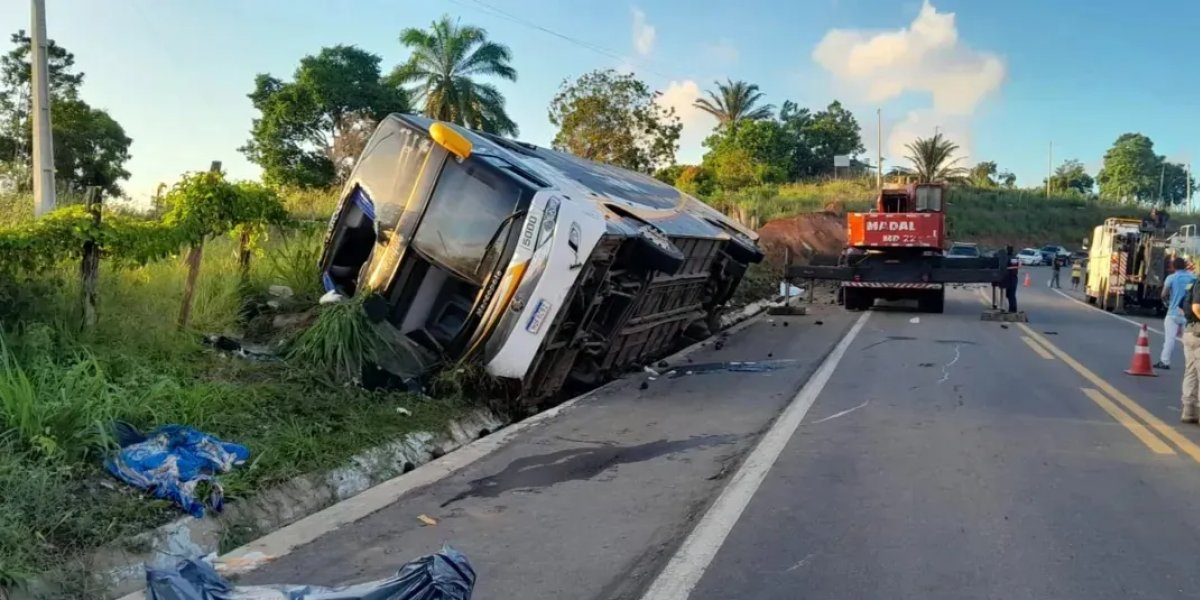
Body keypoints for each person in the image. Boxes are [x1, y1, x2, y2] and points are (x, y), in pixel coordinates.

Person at [1156, 257, 1196, 370]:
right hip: (1188, 314)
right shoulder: (1193, 278)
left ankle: (1165, 362)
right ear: (1185, 266)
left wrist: (1168, 301)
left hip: (1173, 312)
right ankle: (1192, 364)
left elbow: (1163, 294)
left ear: (1173, 267)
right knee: (1189, 341)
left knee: (1169, 339)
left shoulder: (1171, 278)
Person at [1181, 273, 1200, 423]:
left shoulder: (1193, 283)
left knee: (1191, 372)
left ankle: (1188, 411)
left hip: (1189, 331)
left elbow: (1181, 306)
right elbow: (1196, 307)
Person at [1004, 245, 1020, 312]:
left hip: (1012, 277)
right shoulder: (1011, 257)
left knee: (1011, 294)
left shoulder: (1012, 258)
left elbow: (1015, 267)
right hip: (1009, 277)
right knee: (1008, 294)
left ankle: (1013, 308)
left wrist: (1006, 268)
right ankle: (1012, 307)